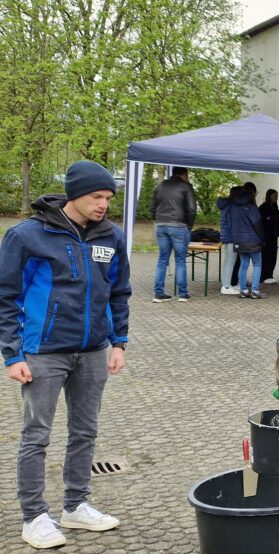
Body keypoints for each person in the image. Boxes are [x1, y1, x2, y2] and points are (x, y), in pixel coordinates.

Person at [0, 160, 130, 549]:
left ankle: (76, 506)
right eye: (96, 196)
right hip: (43, 353)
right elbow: (6, 296)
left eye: (108, 198)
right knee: (36, 435)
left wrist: (119, 342)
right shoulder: (27, 236)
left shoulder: (111, 236)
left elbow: (119, 291)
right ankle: (34, 517)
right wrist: (13, 355)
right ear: (75, 194)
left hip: (93, 351)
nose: (103, 204)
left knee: (85, 431)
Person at [150, 166, 196, 302]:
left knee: (162, 260)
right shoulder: (186, 186)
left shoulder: (161, 186)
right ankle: (183, 294)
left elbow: (152, 207)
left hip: (161, 225)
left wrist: (158, 220)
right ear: (184, 175)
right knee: (180, 260)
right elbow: (192, 209)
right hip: (179, 226)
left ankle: (158, 293)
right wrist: (189, 225)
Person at [229, 183, 266, 299]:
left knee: (243, 264)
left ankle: (243, 290)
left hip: (239, 240)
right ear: (253, 193)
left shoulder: (234, 205)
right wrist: (262, 238)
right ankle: (255, 290)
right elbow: (257, 224)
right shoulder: (251, 206)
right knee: (257, 264)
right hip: (252, 240)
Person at [217, 185, 243, 295]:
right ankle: (226, 286)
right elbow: (234, 223)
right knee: (231, 261)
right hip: (232, 237)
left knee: (228, 261)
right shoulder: (234, 206)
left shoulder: (226, 204)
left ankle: (226, 284)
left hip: (226, 236)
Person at [258, 189, 279, 285]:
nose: (276, 198)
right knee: (265, 256)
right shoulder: (263, 207)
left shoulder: (275, 207)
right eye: (274, 196)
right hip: (266, 236)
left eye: (277, 196)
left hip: (274, 236)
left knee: (273, 256)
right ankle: (264, 276)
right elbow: (261, 222)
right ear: (269, 196)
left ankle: (270, 275)